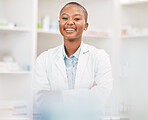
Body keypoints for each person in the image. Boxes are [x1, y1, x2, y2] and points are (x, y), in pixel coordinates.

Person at [33, 2, 113, 120]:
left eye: (76, 18)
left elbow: (100, 98)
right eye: (65, 18)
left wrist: (59, 95)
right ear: (59, 23)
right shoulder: (44, 59)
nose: (70, 22)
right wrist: (87, 94)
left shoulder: (100, 57)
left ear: (85, 26)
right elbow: (42, 101)